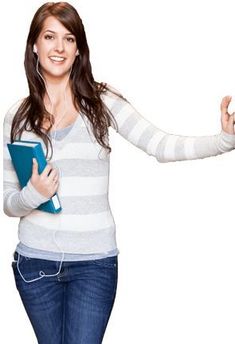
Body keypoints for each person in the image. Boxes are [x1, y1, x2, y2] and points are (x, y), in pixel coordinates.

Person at [3, 2, 235, 344]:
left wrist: (223, 141)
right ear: (34, 45)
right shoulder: (16, 117)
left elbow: (160, 145)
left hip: (94, 265)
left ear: (78, 49)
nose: (59, 47)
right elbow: (9, 203)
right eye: (49, 37)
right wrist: (34, 194)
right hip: (35, 264)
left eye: (69, 39)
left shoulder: (101, 102)